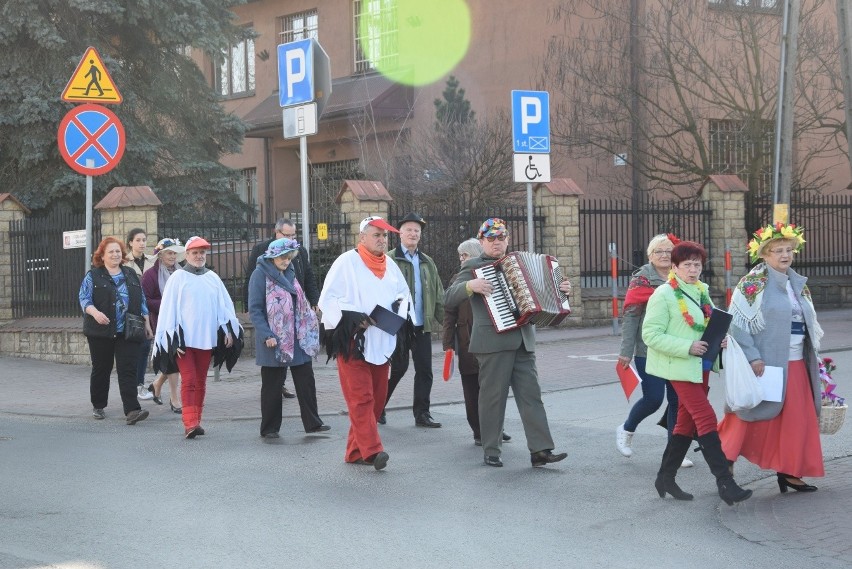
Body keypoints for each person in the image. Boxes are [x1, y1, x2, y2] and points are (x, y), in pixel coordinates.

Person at [444, 218, 571, 468]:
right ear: (481, 242)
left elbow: (546, 292)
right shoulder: (472, 266)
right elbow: (448, 297)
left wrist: (562, 289)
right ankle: (491, 449)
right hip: (492, 343)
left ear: (507, 240)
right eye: (490, 239)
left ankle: (541, 449)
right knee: (493, 398)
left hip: (523, 341)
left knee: (531, 396)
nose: (496, 243)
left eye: (500, 238)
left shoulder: (519, 262)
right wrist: (470, 285)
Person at [642, 240, 751, 506]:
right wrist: (687, 346)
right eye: (687, 265)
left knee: (685, 423)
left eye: (697, 265)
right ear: (675, 267)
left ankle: (665, 477)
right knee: (704, 416)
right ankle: (725, 482)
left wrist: (719, 340)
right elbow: (650, 335)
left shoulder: (701, 290)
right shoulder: (664, 294)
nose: (693, 270)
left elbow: (706, 324)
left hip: (700, 366)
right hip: (678, 366)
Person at [718, 223, 824, 493]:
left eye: (789, 250)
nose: (785, 255)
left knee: (796, 420)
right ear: (764, 254)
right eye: (778, 250)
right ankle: (725, 462)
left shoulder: (797, 282)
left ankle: (789, 471)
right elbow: (738, 324)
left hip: (797, 360)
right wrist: (753, 357)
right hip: (766, 362)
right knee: (748, 412)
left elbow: (808, 321)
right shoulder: (754, 283)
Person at [317, 216, 411, 470]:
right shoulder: (346, 262)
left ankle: (354, 451)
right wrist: (351, 317)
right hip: (353, 342)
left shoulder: (390, 265)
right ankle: (373, 450)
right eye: (376, 235)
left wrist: (397, 311)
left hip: (382, 339)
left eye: (384, 236)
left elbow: (404, 296)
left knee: (378, 399)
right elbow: (327, 300)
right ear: (362, 237)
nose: (382, 240)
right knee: (361, 398)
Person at [153, 236, 243, 439]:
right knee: (190, 379)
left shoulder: (212, 278)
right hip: (184, 342)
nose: (199, 256)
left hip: (206, 339)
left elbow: (224, 307)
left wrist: (228, 330)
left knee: (201, 380)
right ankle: (189, 422)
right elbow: (169, 310)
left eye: (202, 252)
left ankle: (197, 420)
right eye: (195, 252)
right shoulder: (178, 278)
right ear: (187, 255)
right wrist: (172, 339)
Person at [616, 234, 692, 467]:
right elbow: (631, 316)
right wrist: (626, 351)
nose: (664, 255)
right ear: (650, 255)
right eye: (659, 251)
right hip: (647, 349)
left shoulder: (681, 276)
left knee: (677, 401)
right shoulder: (642, 279)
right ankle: (627, 428)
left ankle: (674, 453)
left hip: (676, 348)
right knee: (654, 398)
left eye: (669, 251)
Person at [248, 237, 328, 439]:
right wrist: (266, 334)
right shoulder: (260, 274)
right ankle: (269, 428)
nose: (286, 261)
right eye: (282, 257)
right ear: (272, 256)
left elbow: (298, 298)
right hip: (274, 337)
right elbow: (255, 309)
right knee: (272, 385)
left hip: (297, 335)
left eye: (289, 257)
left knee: (306, 380)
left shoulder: (290, 270)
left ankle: (313, 423)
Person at [442, 238, 511, 446]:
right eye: (460, 256)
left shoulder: (493, 275)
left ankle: (495, 429)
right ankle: (479, 432)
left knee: (492, 390)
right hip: (467, 343)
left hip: (492, 341)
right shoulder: (458, 280)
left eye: (466, 255)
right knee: (472, 391)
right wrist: (448, 345)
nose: (462, 259)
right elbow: (449, 313)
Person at [79, 236, 153, 425]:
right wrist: (95, 313)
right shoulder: (93, 275)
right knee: (101, 368)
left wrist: (147, 324)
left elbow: (141, 299)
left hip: (128, 330)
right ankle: (98, 405)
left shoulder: (130, 274)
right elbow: (84, 298)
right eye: (110, 251)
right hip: (101, 330)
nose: (115, 254)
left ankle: (132, 410)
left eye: (118, 251)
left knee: (128, 370)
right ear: (102, 256)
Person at [245, 218, 320, 399]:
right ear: (277, 232)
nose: (291, 238)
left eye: (293, 234)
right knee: (277, 363)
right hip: (275, 314)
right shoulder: (261, 250)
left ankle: (312, 420)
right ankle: (282, 385)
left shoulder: (299, 251)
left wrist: (314, 300)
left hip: (296, 308)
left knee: (301, 367)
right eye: (287, 235)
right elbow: (251, 279)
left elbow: (308, 275)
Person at [383, 212, 445, 428]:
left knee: (425, 370)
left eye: (417, 231)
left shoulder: (427, 261)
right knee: (398, 368)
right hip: (399, 326)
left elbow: (438, 294)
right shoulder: (389, 259)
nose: (413, 233)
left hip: (422, 325)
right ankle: (379, 406)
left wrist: (447, 321)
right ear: (400, 233)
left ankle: (422, 414)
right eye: (409, 229)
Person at [141, 237, 185, 412]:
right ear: (160, 255)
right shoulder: (150, 275)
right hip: (161, 322)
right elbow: (144, 300)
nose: (173, 256)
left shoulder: (181, 272)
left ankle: (156, 384)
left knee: (176, 358)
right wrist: (167, 304)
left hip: (181, 323)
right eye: (169, 253)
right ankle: (175, 400)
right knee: (172, 360)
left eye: (175, 253)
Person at [124, 228, 155, 401]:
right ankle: (132, 385)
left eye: (144, 240)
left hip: (148, 309)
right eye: (138, 240)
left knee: (145, 348)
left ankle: (140, 385)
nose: (142, 243)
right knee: (132, 350)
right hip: (131, 310)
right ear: (130, 242)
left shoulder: (152, 260)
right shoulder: (124, 262)